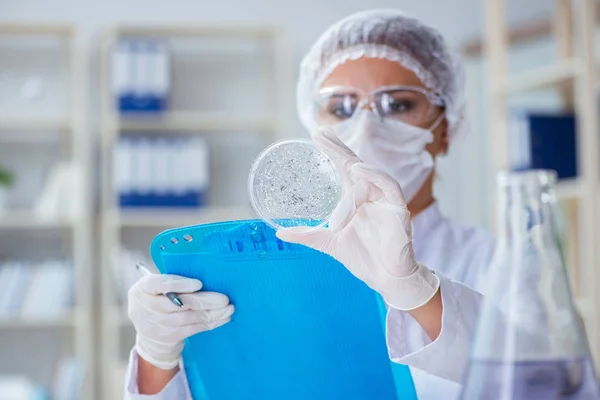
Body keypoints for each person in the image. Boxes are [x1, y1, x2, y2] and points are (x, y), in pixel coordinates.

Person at [124, 9, 495, 400]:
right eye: (340, 107)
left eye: (398, 105)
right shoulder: (265, 262)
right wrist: (157, 354)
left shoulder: (497, 263)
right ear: (313, 125)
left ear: (446, 129)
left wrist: (419, 292)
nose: (366, 127)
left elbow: (544, 378)